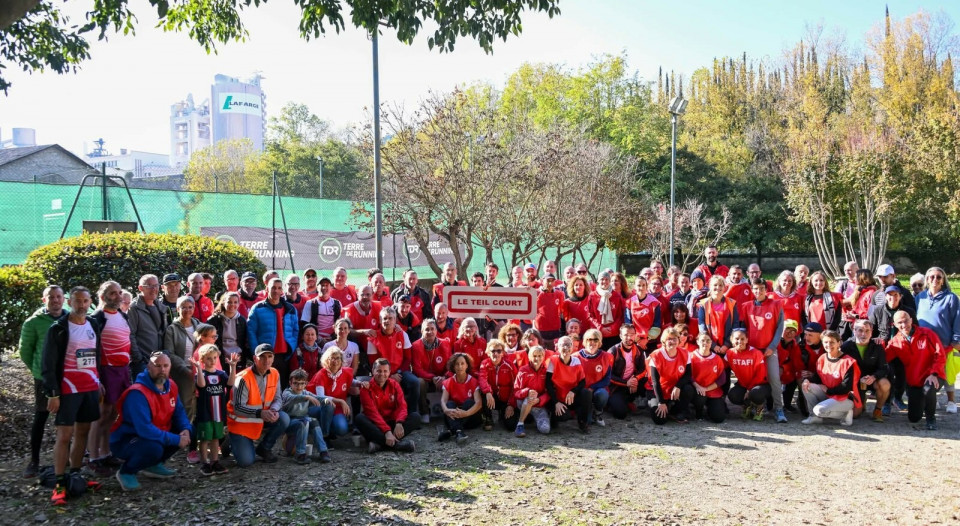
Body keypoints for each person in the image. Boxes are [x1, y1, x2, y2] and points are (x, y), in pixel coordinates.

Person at [41, 286, 103, 506]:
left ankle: (76, 475)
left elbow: (96, 357)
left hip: (89, 388)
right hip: (67, 390)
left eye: (85, 301)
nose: (81, 305)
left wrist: (99, 382)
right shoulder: (58, 328)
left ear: (90, 302)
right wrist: (53, 393)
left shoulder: (93, 324)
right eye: (77, 301)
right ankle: (59, 482)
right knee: (64, 436)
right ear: (69, 302)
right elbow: (47, 364)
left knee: (83, 433)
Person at [110, 352, 192, 492]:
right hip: (127, 439)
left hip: (155, 432)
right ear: (148, 367)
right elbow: (144, 429)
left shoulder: (171, 385)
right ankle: (127, 471)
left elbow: (179, 412)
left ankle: (153, 465)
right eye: (157, 366)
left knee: (189, 429)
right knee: (153, 448)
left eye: (165, 366)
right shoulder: (137, 393)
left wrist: (185, 429)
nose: (162, 370)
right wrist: (176, 439)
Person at [19, 285, 65, 478]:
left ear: (63, 299)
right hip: (44, 379)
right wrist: (38, 371)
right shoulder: (33, 323)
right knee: (41, 417)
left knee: (65, 419)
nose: (55, 300)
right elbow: (25, 352)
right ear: (43, 300)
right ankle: (34, 460)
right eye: (51, 297)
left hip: (67, 377)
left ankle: (66, 457)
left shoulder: (70, 319)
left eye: (58, 296)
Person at [87, 281, 133, 474]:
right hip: (106, 370)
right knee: (100, 415)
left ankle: (106, 453)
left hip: (122, 370)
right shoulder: (96, 318)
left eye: (119, 292)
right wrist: (95, 378)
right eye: (113, 293)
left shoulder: (122, 315)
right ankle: (93, 456)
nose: (117, 296)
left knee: (113, 413)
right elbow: (90, 348)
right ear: (103, 296)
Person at [227, 343, 290, 466]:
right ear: (255, 359)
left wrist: (274, 410)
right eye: (262, 357)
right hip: (241, 424)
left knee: (284, 418)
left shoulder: (275, 373)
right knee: (246, 462)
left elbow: (278, 398)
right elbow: (238, 408)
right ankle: (230, 440)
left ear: (273, 358)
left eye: (269, 356)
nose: (266, 360)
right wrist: (260, 413)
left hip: (262, 417)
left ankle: (264, 448)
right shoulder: (242, 378)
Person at [885, 311, 947, 430]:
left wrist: (934, 373)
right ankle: (923, 403)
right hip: (914, 382)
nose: (904, 324)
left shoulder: (927, 334)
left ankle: (930, 418)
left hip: (933, 375)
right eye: (900, 322)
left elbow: (940, 355)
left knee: (928, 388)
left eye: (906, 320)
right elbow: (883, 358)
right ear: (895, 325)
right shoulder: (895, 342)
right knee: (914, 418)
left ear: (911, 320)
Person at [738, 278, 788, 423]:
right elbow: (745, 329)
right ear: (751, 290)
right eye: (755, 289)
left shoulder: (776, 304)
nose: (758, 291)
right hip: (752, 351)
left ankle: (779, 409)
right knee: (752, 380)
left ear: (766, 290)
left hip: (770, 350)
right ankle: (753, 406)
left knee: (774, 379)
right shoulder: (746, 306)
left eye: (761, 288)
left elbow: (780, 328)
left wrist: (772, 347)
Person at [913, 266, 960, 414]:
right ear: (927, 279)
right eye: (931, 277)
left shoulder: (951, 297)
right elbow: (914, 319)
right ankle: (934, 399)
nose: (935, 279)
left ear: (943, 280)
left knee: (947, 372)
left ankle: (951, 401)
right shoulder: (920, 297)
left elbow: (957, 319)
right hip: (924, 344)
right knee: (928, 372)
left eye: (938, 277)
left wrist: (956, 339)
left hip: (944, 342)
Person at [192, 344, 238, 475]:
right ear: (202, 360)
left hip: (218, 413)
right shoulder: (201, 375)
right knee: (205, 439)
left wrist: (233, 366)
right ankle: (205, 463)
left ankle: (215, 461)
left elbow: (230, 383)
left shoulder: (221, 374)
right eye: (208, 358)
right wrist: (199, 369)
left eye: (214, 358)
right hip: (205, 413)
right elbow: (201, 385)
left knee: (215, 438)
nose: (212, 361)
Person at [367, 307, 420, 419]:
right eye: (384, 318)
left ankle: (412, 415)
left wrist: (399, 373)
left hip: (401, 371)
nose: (388, 321)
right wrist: (389, 375)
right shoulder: (373, 337)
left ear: (395, 320)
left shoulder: (402, 334)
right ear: (380, 321)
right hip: (381, 374)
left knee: (415, 382)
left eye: (391, 318)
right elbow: (373, 362)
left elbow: (408, 358)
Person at [247, 277, 299, 390]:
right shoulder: (257, 308)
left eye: (279, 288)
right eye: (273, 288)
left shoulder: (290, 309)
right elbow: (251, 332)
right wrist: (256, 353)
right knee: (265, 388)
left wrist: (292, 345)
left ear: (282, 291)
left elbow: (295, 330)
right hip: (265, 357)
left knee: (283, 387)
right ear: (267, 289)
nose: (276, 290)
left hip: (285, 356)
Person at [357, 358, 418, 453]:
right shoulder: (366, 387)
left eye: (385, 371)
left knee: (416, 417)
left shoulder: (394, 385)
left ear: (389, 372)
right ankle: (397, 445)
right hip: (376, 425)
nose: (382, 374)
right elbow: (372, 413)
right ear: (373, 371)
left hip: (392, 422)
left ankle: (379, 444)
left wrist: (399, 422)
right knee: (359, 418)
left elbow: (402, 406)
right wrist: (387, 432)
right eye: (379, 371)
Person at [801, 330, 861, 426]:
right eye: (825, 342)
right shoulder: (822, 358)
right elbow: (817, 377)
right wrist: (807, 380)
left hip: (845, 398)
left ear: (839, 343)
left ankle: (845, 413)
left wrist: (828, 390)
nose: (828, 345)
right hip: (830, 395)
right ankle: (814, 417)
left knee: (819, 410)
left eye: (832, 342)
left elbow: (846, 387)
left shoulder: (848, 362)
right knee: (807, 386)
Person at [163, 296, 200, 432]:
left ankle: (197, 435)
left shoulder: (199, 325)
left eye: (190, 307)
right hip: (182, 372)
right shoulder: (172, 329)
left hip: (199, 370)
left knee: (199, 404)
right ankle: (184, 434)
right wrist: (185, 369)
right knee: (186, 403)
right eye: (183, 307)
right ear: (178, 309)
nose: (187, 310)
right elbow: (170, 353)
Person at [841, 320, 889, 421]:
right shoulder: (846, 346)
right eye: (860, 330)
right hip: (854, 382)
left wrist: (874, 377)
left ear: (871, 332)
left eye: (867, 331)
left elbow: (883, 368)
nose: (864, 334)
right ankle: (862, 401)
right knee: (855, 415)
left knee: (885, 384)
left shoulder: (877, 346)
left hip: (872, 379)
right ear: (854, 331)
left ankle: (878, 410)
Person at [281, 368, 332, 464]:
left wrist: (325, 400)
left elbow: (317, 398)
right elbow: (293, 398)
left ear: (306, 384)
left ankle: (323, 451)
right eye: (296, 383)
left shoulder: (306, 393)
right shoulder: (287, 393)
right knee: (304, 422)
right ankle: (300, 454)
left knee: (314, 421)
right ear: (290, 383)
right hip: (290, 422)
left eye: (301, 383)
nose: (299, 386)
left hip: (304, 420)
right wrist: (306, 397)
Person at [646, 327, 694, 425]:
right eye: (669, 339)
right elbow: (655, 382)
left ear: (678, 340)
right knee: (659, 420)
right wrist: (661, 402)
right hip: (657, 390)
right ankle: (662, 405)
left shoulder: (685, 353)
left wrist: (678, 386)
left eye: (674, 338)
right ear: (663, 341)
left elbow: (688, 374)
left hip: (673, 389)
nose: (672, 341)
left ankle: (677, 411)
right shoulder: (656, 355)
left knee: (688, 389)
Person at [306, 348, 355, 440]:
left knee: (342, 429)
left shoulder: (345, 372)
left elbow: (352, 381)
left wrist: (362, 383)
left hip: (337, 408)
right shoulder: (321, 374)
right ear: (326, 360)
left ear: (341, 360)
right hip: (317, 407)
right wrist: (340, 401)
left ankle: (328, 429)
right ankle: (324, 436)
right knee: (328, 404)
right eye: (331, 358)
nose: (335, 361)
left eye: (337, 358)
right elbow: (321, 397)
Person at [411, 318, 453, 422]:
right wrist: (432, 378)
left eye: (432, 329)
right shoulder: (416, 346)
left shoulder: (445, 343)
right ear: (421, 331)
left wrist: (444, 377)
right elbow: (417, 369)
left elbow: (451, 366)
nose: (430, 332)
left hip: (441, 377)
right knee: (419, 382)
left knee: (452, 377)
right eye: (427, 329)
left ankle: (449, 411)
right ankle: (424, 412)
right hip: (426, 378)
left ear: (436, 330)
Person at [127, 274, 168, 379]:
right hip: (143, 363)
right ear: (141, 288)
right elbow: (130, 334)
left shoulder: (161, 307)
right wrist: (139, 358)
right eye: (149, 286)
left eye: (156, 285)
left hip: (160, 362)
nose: (154, 289)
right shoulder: (134, 309)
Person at [725, 329, 771, 421]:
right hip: (743, 385)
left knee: (755, 394)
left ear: (747, 340)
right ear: (731, 339)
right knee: (733, 395)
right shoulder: (729, 353)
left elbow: (761, 374)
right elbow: (721, 367)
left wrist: (749, 390)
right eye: (737, 339)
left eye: (742, 339)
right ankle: (747, 405)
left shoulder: (756, 353)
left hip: (760, 385)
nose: (740, 342)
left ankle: (760, 407)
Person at [438, 353, 483, 445]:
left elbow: (479, 403)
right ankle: (459, 432)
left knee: (469, 402)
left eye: (462, 363)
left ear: (467, 365)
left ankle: (452, 431)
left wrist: (465, 413)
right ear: (453, 366)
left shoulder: (474, 381)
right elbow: (443, 400)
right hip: (453, 416)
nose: (460, 366)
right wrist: (446, 410)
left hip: (470, 417)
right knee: (449, 404)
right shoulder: (448, 382)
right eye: (457, 364)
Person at [607, 324, 647, 420]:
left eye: (632, 334)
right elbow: (608, 375)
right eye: (626, 335)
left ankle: (632, 400)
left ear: (635, 335)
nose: (629, 337)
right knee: (621, 414)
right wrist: (626, 383)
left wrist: (635, 379)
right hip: (616, 386)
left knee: (647, 379)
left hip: (631, 382)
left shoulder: (639, 350)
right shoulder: (613, 351)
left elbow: (643, 369)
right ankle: (611, 403)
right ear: (620, 336)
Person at [478, 339, 518, 431]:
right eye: (493, 351)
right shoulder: (485, 364)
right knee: (482, 393)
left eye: (499, 351)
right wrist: (488, 392)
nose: (495, 353)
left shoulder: (510, 365)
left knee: (511, 427)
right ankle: (488, 418)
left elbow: (516, 385)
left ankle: (503, 413)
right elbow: (482, 379)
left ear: (503, 353)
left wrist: (511, 404)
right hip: (492, 397)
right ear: (488, 353)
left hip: (506, 398)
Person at [513, 346, 551, 436]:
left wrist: (539, 400)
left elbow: (549, 392)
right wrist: (527, 391)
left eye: (539, 356)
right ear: (529, 357)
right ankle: (520, 425)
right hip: (523, 402)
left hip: (538, 404)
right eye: (534, 356)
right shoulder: (523, 370)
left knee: (545, 430)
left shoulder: (546, 372)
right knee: (531, 396)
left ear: (543, 357)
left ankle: (532, 418)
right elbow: (516, 392)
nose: (537, 358)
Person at [207, 291, 251, 370]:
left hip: (238, 358)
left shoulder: (242, 320)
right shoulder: (214, 320)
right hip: (219, 358)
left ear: (239, 304)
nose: (232, 305)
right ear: (223, 303)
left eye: (235, 302)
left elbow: (245, 341)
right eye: (229, 302)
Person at [697, 276, 739, 357]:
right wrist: (713, 345)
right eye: (715, 285)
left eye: (720, 285)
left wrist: (727, 345)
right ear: (710, 287)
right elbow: (702, 327)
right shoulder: (703, 305)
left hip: (728, 346)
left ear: (724, 287)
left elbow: (735, 325)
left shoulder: (732, 303)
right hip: (709, 346)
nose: (718, 287)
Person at [690, 332, 727, 423]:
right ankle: (698, 412)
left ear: (711, 343)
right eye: (702, 340)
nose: (705, 343)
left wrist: (706, 389)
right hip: (697, 390)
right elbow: (688, 376)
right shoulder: (691, 356)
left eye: (708, 341)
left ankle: (710, 409)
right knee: (700, 396)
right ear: (697, 342)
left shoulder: (717, 358)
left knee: (719, 418)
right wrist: (698, 387)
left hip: (712, 390)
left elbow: (722, 379)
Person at [578, 328, 612, 426]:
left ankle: (597, 411)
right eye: (589, 340)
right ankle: (585, 411)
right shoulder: (576, 357)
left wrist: (592, 388)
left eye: (595, 340)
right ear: (585, 341)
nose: (592, 343)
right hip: (582, 392)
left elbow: (607, 379)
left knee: (602, 394)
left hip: (597, 389)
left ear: (599, 342)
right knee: (588, 422)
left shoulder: (606, 357)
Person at [588, 271, 625, 349]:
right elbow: (590, 315)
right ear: (598, 280)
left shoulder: (617, 296)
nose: (604, 281)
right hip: (598, 333)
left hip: (614, 334)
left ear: (609, 281)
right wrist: (600, 328)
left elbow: (621, 316)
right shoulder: (592, 296)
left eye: (607, 279)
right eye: (602, 279)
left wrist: (612, 328)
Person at [626, 276, 662, 351]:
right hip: (634, 340)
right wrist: (637, 339)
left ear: (647, 286)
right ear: (634, 287)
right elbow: (627, 323)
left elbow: (657, 324)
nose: (641, 288)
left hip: (650, 341)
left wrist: (646, 339)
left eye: (643, 285)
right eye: (639, 285)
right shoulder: (629, 302)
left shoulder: (654, 303)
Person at [301, 276, 342, 341]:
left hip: (333, 338)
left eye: (326, 285)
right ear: (317, 287)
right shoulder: (310, 303)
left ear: (331, 287)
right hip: (314, 339)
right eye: (322, 285)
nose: (324, 287)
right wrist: (317, 338)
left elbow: (341, 324)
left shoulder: (337, 303)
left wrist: (333, 337)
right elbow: (305, 324)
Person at [534, 274, 565, 347]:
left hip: (555, 328)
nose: (550, 283)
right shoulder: (536, 293)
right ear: (542, 281)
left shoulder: (559, 294)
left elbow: (561, 311)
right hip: (540, 328)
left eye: (552, 281)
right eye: (548, 281)